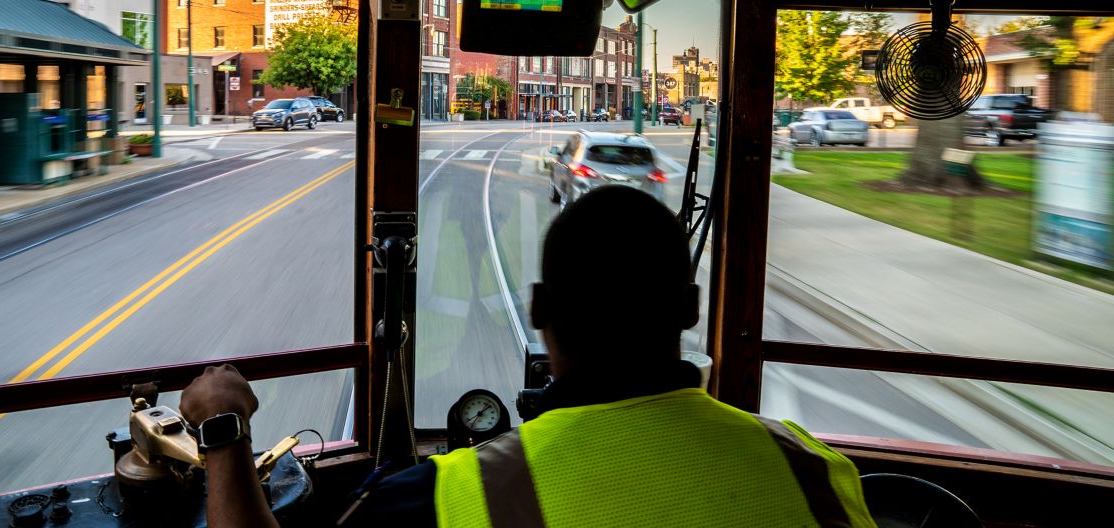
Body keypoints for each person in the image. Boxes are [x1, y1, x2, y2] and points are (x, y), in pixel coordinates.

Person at [181, 186, 876, 527]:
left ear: (539, 311)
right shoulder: (819, 473)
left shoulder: (448, 500)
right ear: (692, 312)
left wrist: (222, 428)